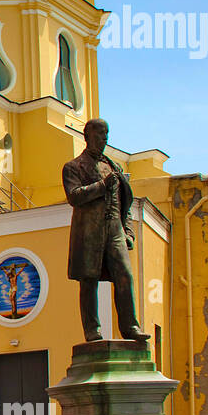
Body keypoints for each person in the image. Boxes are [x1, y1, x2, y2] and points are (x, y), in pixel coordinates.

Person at [62, 119, 150, 342]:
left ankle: (130, 327)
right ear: (87, 136)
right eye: (100, 134)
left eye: (106, 134)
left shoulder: (114, 167)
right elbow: (74, 196)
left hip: (114, 228)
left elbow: (124, 204)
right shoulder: (73, 167)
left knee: (125, 275)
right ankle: (93, 330)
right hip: (89, 231)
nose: (105, 138)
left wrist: (128, 232)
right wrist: (102, 186)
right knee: (88, 280)